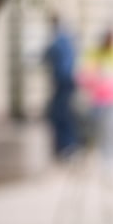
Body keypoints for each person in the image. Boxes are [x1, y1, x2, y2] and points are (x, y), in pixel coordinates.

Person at [78, 29, 113, 173]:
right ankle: (105, 157)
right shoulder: (96, 53)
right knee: (101, 129)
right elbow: (85, 75)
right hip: (100, 101)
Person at [43, 15, 81, 159]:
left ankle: (67, 145)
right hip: (66, 81)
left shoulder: (60, 39)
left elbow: (48, 54)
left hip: (63, 81)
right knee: (62, 113)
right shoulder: (67, 38)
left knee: (61, 114)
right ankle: (67, 145)